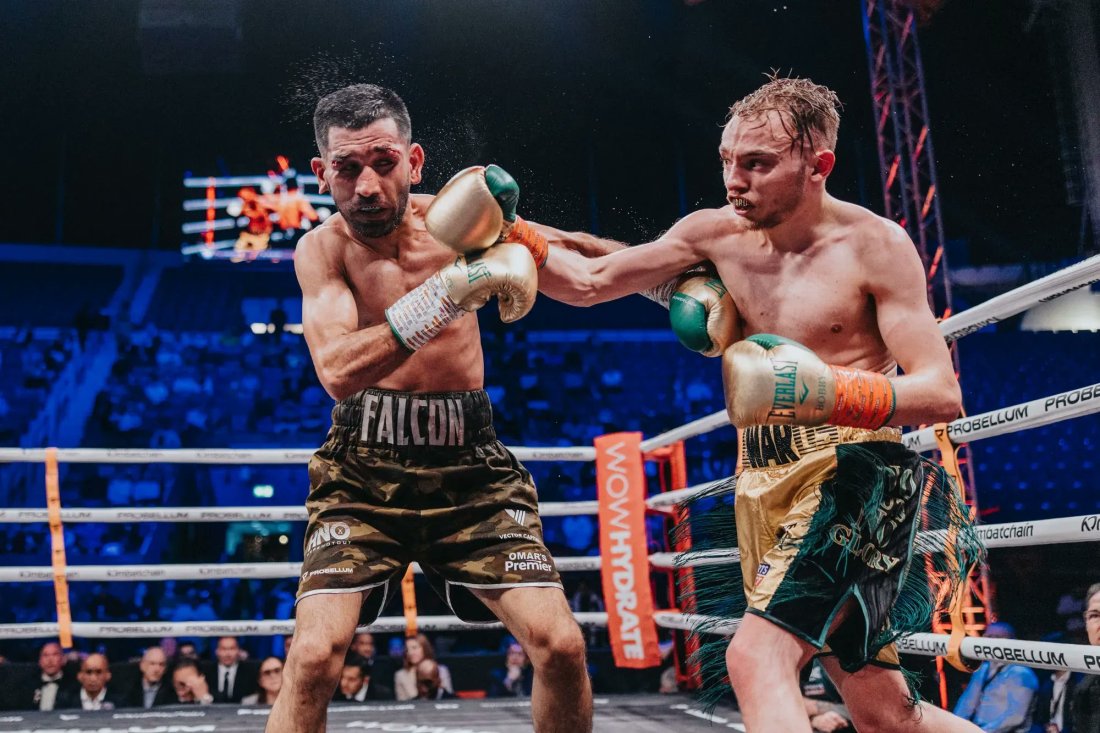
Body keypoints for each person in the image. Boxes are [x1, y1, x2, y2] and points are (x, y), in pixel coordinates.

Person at [522, 75, 984, 732]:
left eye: (758, 164)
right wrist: (507, 234)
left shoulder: (875, 245)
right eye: (727, 160)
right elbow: (591, 280)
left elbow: (941, 392)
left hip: (857, 477)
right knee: (884, 713)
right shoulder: (714, 233)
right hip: (762, 479)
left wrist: (820, 390)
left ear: (818, 166)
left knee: (756, 658)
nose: (734, 180)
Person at [265, 83, 590, 733]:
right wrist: (448, 292)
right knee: (314, 656)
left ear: (413, 162)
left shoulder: (462, 217)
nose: (366, 185)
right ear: (322, 173)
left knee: (562, 646)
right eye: (347, 167)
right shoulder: (321, 250)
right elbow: (336, 371)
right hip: (363, 474)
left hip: (471, 471)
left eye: (383, 162)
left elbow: (575, 258)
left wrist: (675, 275)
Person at [953, 622, 1039, 732]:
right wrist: (955, 726)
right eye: (988, 637)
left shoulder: (1021, 673)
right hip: (979, 728)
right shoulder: (983, 668)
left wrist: (982, 731)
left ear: (1012, 641)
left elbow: (1015, 717)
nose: (991, 641)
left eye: (997, 637)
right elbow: (967, 703)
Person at [394, 634, 452, 702]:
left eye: (414, 648)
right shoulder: (400, 675)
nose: (410, 652)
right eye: (407, 649)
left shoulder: (441, 670)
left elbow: (449, 699)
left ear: (425, 648)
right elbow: (401, 704)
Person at [56, 653, 124, 711]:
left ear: (108, 675)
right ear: (80, 676)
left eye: (99, 672)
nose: (93, 679)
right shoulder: (65, 702)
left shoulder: (120, 703)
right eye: (88, 672)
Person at [211, 635, 254, 704]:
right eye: (223, 649)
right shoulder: (206, 671)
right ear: (216, 651)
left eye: (232, 648)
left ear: (239, 650)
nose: (227, 654)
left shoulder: (250, 672)